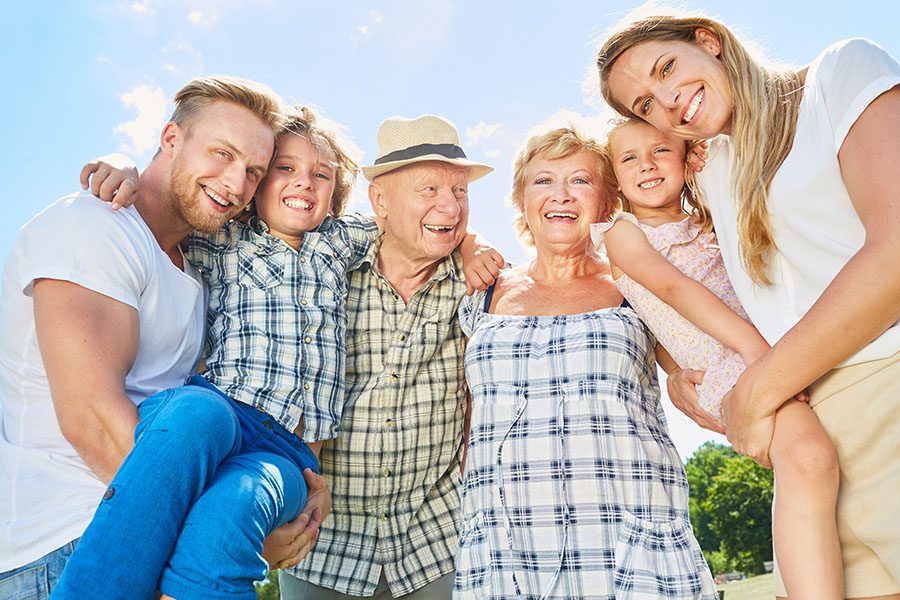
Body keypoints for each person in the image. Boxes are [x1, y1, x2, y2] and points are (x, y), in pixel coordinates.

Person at [597, 10, 900, 599]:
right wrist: (673, 369)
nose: (666, 102)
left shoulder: (839, 75)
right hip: (803, 421)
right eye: (643, 107)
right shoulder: (711, 168)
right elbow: (668, 284)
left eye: (667, 68)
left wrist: (756, 389)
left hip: (882, 387)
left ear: (707, 41)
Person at [52, 107, 379, 600]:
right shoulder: (223, 239)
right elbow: (165, 203)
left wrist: (471, 248)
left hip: (285, 455)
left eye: (322, 175)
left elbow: (408, 226)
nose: (304, 183)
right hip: (222, 414)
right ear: (257, 186)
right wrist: (124, 168)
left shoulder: (340, 240)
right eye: (285, 169)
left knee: (224, 525)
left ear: (335, 196)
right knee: (195, 411)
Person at [0, 75, 287, 599]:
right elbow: (93, 422)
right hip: (64, 547)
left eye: (253, 172)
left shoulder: (195, 270)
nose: (235, 182)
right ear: (171, 140)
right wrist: (211, 539)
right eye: (221, 153)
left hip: (143, 534)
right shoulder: (93, 225)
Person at [454, 125, 716, 599]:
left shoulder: (633, 282)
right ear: (521, 199)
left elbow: (684, 360)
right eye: (543, 181)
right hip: (508, 550)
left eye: (580, 180)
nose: (561, 196)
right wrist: (467, 241)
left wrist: (681, 379)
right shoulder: (481, 294)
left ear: (607, 202)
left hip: (628, 541)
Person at [592, 117, 841, 598]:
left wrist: (706, 170)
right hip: (735, 365)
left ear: (686, 158)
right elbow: (673, 289)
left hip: (780, 346)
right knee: (808, 459)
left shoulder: (706, 215)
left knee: (807, 468)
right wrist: (753, 349)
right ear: (614, 178)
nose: (647, 164)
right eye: (629, 158)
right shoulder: (622, 234)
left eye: (661, 151)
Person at [279, 114, 499, 600]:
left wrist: (470, 244)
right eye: (428, 189)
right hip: (323, 543)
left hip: (437, 541)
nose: (450, 205)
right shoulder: (324, 272)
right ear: (379, 201)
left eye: (460, 191)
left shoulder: (478, 284)